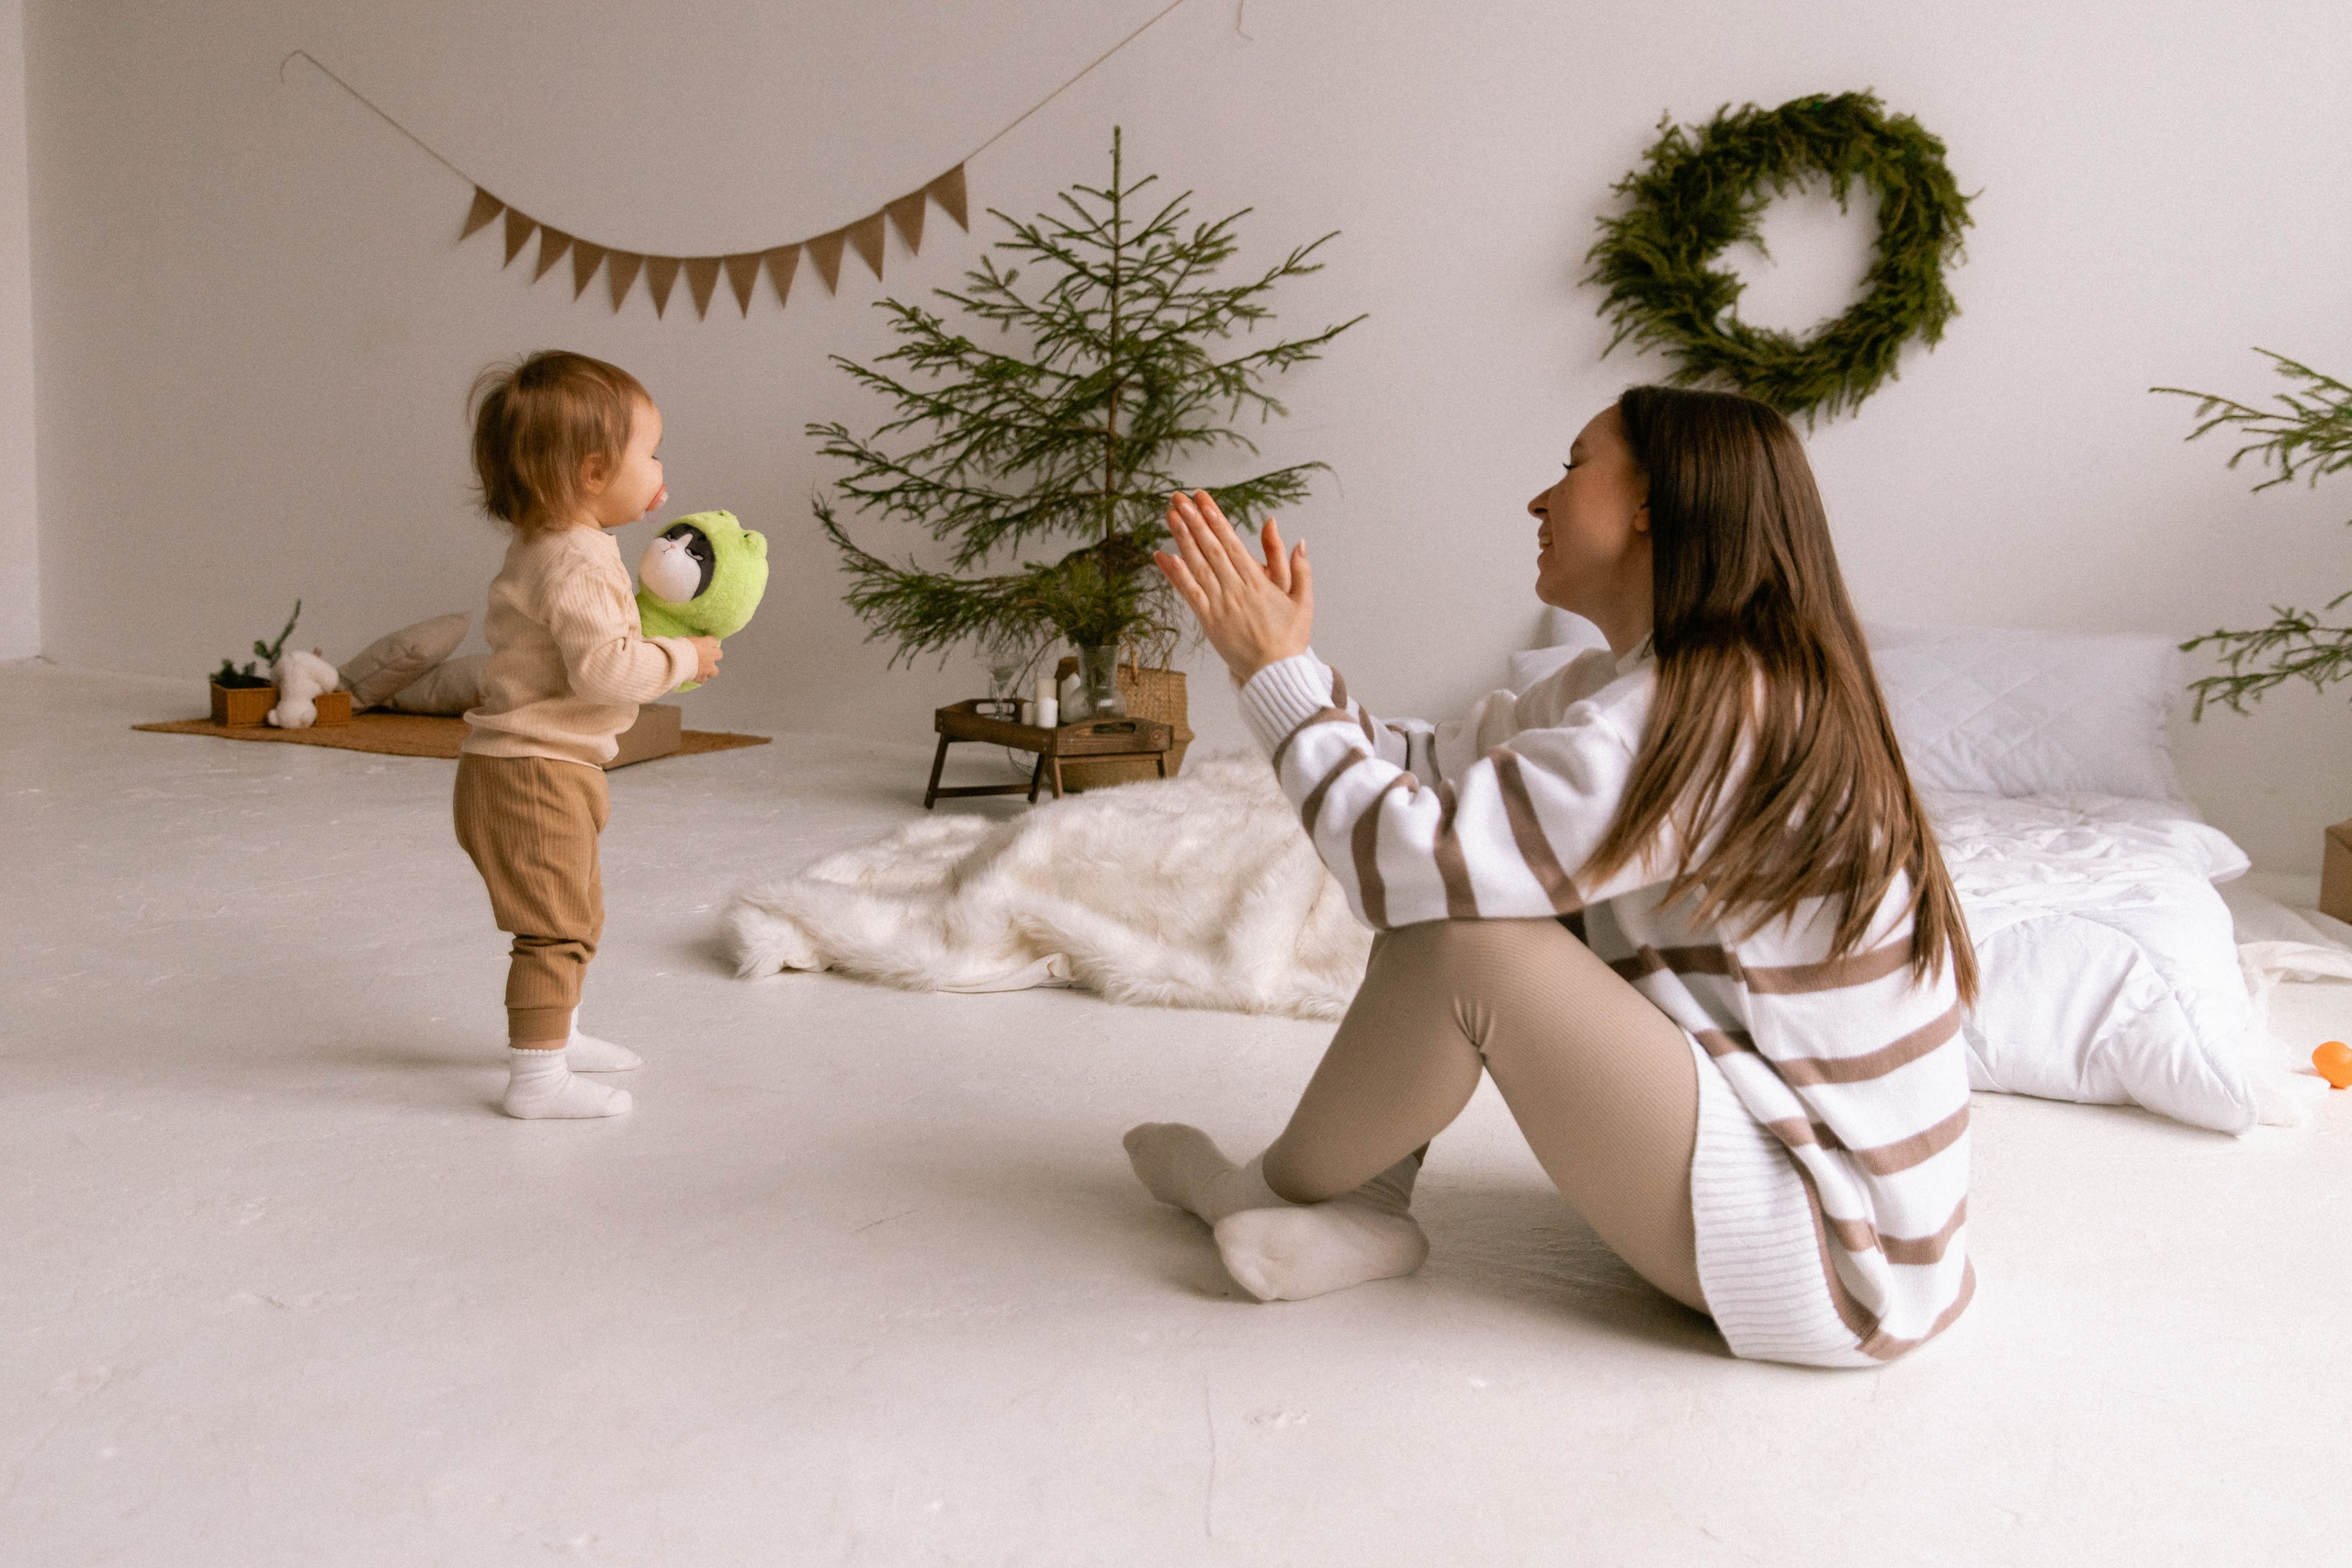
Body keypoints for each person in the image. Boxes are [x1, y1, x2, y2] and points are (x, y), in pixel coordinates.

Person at [1125, 384, 1976, 1367]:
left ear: (1655, 503)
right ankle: (1359, 1210)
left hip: (1831, 1265)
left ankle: (1266, 1191)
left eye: (1573, 465)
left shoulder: (1700, 717)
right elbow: (1429, 773)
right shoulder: (1651, 689)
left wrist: (1273, 676)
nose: (1541, 500)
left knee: (1468, 928)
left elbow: (1403, 857)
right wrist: (1284, 666)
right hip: (1832, 1219)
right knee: (1485, 868)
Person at [453, 351, 720, 1120]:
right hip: (533, 770)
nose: (662, 465)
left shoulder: (563, 544)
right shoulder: (575, 558)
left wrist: (659, 646)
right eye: (652, 452)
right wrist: (681, 656)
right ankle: (536, 1079)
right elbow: (604, 669)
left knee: (576, 910)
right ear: (596, 471)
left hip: (543, 766)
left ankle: (557, 1034)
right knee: (555, 927)